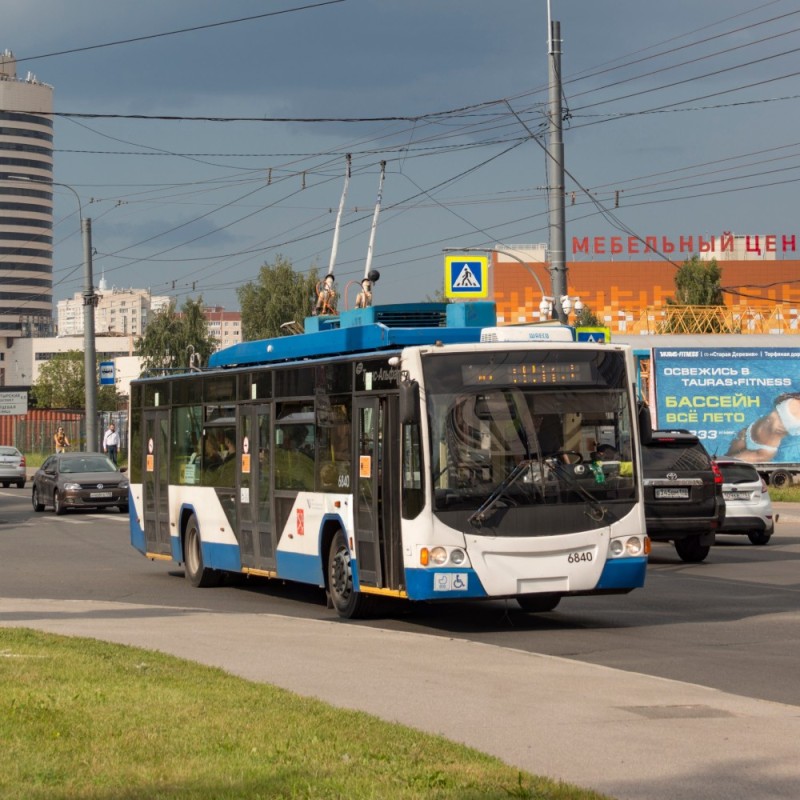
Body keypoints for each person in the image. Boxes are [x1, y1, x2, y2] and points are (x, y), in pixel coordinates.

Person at [727, 392, 800, 463]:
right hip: (750, 431)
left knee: (728, 465)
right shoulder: (794, 397)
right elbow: (775, 401)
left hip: (762, 449)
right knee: (724, 459)